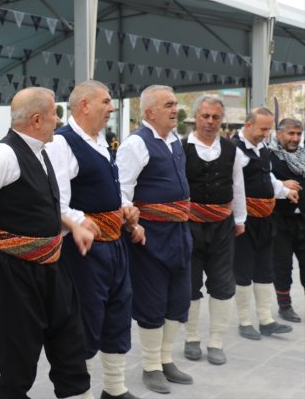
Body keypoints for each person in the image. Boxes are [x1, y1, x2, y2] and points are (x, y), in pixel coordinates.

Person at [0, 86, 94, 399]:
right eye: (53, 115)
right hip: (12, 274)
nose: (58, 120)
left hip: (52, 268)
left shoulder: (42, 152)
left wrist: (72, 226)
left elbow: (37, 207)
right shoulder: (3, 154)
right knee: (17, 363)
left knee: (71, 350)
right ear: (37, 119)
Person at [46, 80, 145, 399]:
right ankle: (79, 392)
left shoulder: (102, 142)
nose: (112, 107)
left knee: (118, 314)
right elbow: (56, 202)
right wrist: (82, 222)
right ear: (84, 105)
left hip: (114, 245)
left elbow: (106, 193)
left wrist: (125, 212)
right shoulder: (61, 143)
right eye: (106, 101)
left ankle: (115, 389)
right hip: (83, 250)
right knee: (83, 322)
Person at [115, 85, 193, 395]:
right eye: (169, 105)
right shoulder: (136, 144)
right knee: (152, 299)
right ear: (150, 112)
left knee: (178, 297)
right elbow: (121, 189)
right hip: (151, 234)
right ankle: (151, 366)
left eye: (175, 104)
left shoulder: (175, 140)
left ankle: (166, 359)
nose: (175, 109)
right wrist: (132, 225)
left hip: (179, 232)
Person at [180, 95, 247, 366]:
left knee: (222, 283)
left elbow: (238, 185)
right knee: (191, 283)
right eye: (205, 116)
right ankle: (192, 337)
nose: (210, 122)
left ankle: (216, 341)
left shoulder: (232, 150)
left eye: (215, 117)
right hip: (189, 225)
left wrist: (240, 218)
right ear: (196, 117)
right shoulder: (180, 148)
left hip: (222, 226)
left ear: (222, 120)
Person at [231, 107, 299, 340]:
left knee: (264, 269)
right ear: (248, 125)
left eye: (269, 129)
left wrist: (283, 191)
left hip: (265, 219)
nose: (265, 133)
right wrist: (237, 219)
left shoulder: (262, 150)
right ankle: (245, 321)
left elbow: (267, 177)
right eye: (262, 128)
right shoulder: (235, 150)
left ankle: (266, 320)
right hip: (244, 221)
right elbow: (234, 187)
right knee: (243, 271)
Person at [268, 118, 305, 322]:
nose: (295, 138)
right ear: (279, 133)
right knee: (282, 265)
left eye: (298, 134)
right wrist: (281, 184)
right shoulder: (269, 156)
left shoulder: (303, 154)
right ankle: (285, 306)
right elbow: (260, 181)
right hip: (280, 220)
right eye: (291, 133)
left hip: (303, 219)